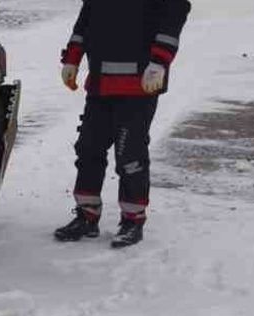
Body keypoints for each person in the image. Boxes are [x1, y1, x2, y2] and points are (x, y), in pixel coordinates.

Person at [53, 0, 192, 249]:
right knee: (88, 148)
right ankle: (87, 215)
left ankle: (132, 220)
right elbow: (87, 18)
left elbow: (176, 10)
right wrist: (72, 58)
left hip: (139, 86)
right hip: (100, 84)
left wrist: (159, 61)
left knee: (129, 154)